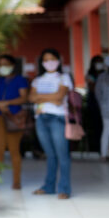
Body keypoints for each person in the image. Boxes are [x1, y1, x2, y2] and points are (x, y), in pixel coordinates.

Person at [29, 48, 73, 199]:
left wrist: (40, 96)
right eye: (46, 60)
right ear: (42, 63)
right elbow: (31, 98)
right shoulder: (37, 79)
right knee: (50, 155)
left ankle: (64, 189)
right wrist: (51, 97)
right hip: (41, 119)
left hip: (57, 118)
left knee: (62, 155)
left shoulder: (64, 77)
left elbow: (60, 97)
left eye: (52, 59)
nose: (49, 62)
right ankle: (49, 186)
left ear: (58, 61)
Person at [0, 54, 29, 189]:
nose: (3, 67)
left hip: (13, 118)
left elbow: (24, 98)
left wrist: (7, 103)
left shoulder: (20, 80)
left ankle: (16, 181)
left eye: (5, 64)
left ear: (12, 65)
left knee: (14, 150)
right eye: (0, 64)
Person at [94, 55, 109, 161]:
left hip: (105, 109)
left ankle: (103, 154)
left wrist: (101, 105)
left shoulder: (102, 77)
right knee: (107, 132)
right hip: (107, 109)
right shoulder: (102, 77)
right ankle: (104, 154)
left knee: (106, 131)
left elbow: (98, 93)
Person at [86, 55, 105, 154]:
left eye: (101, 62)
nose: (99, 64)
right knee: (96, 128)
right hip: (94, 104)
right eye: (97, 62)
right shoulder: (90, 75)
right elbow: (93, 88)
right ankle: (96, 149)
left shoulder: (107, 74)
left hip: (105, 104)